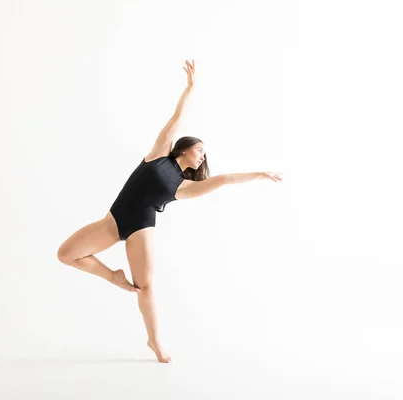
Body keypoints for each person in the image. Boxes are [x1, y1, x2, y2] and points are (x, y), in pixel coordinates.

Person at [57, 60, 283, 363]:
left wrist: (259, 174)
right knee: (66, 253)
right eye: (200, 148)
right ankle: (113, 277)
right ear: (185, 148)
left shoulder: (184, 187)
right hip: (113, 220)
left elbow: (224, 180)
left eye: (205, 154)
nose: (203, 155)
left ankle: (154, 342)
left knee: (146, 285)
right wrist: (190, 87)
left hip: (140, 227)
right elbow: (178, 117)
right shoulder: (159, 154)